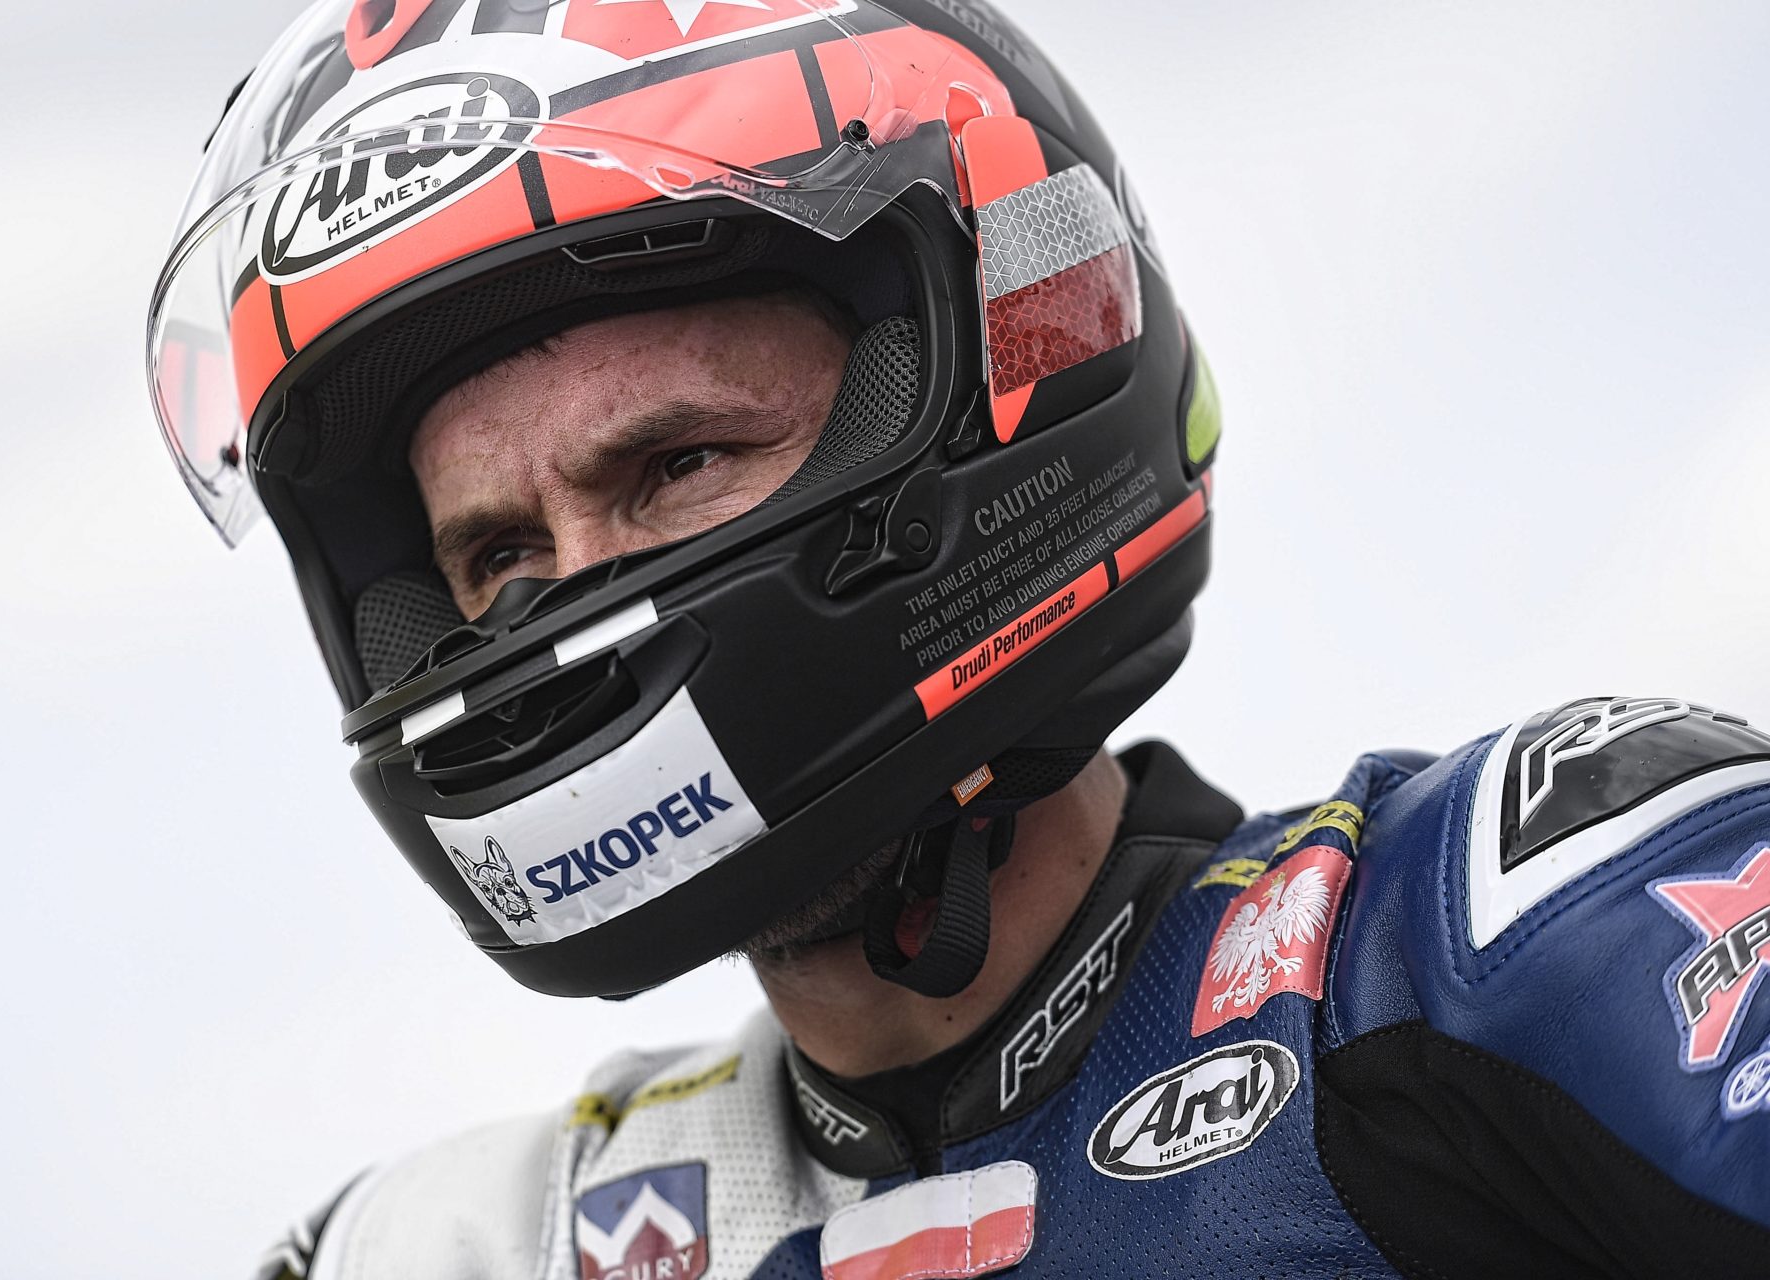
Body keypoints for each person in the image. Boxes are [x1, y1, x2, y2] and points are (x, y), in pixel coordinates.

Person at [147, 2, 1770, 1276]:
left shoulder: (1510, 939)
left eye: (677, 465)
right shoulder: (477, 1247)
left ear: (999, 391)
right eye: (495, 555)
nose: (567, 596)